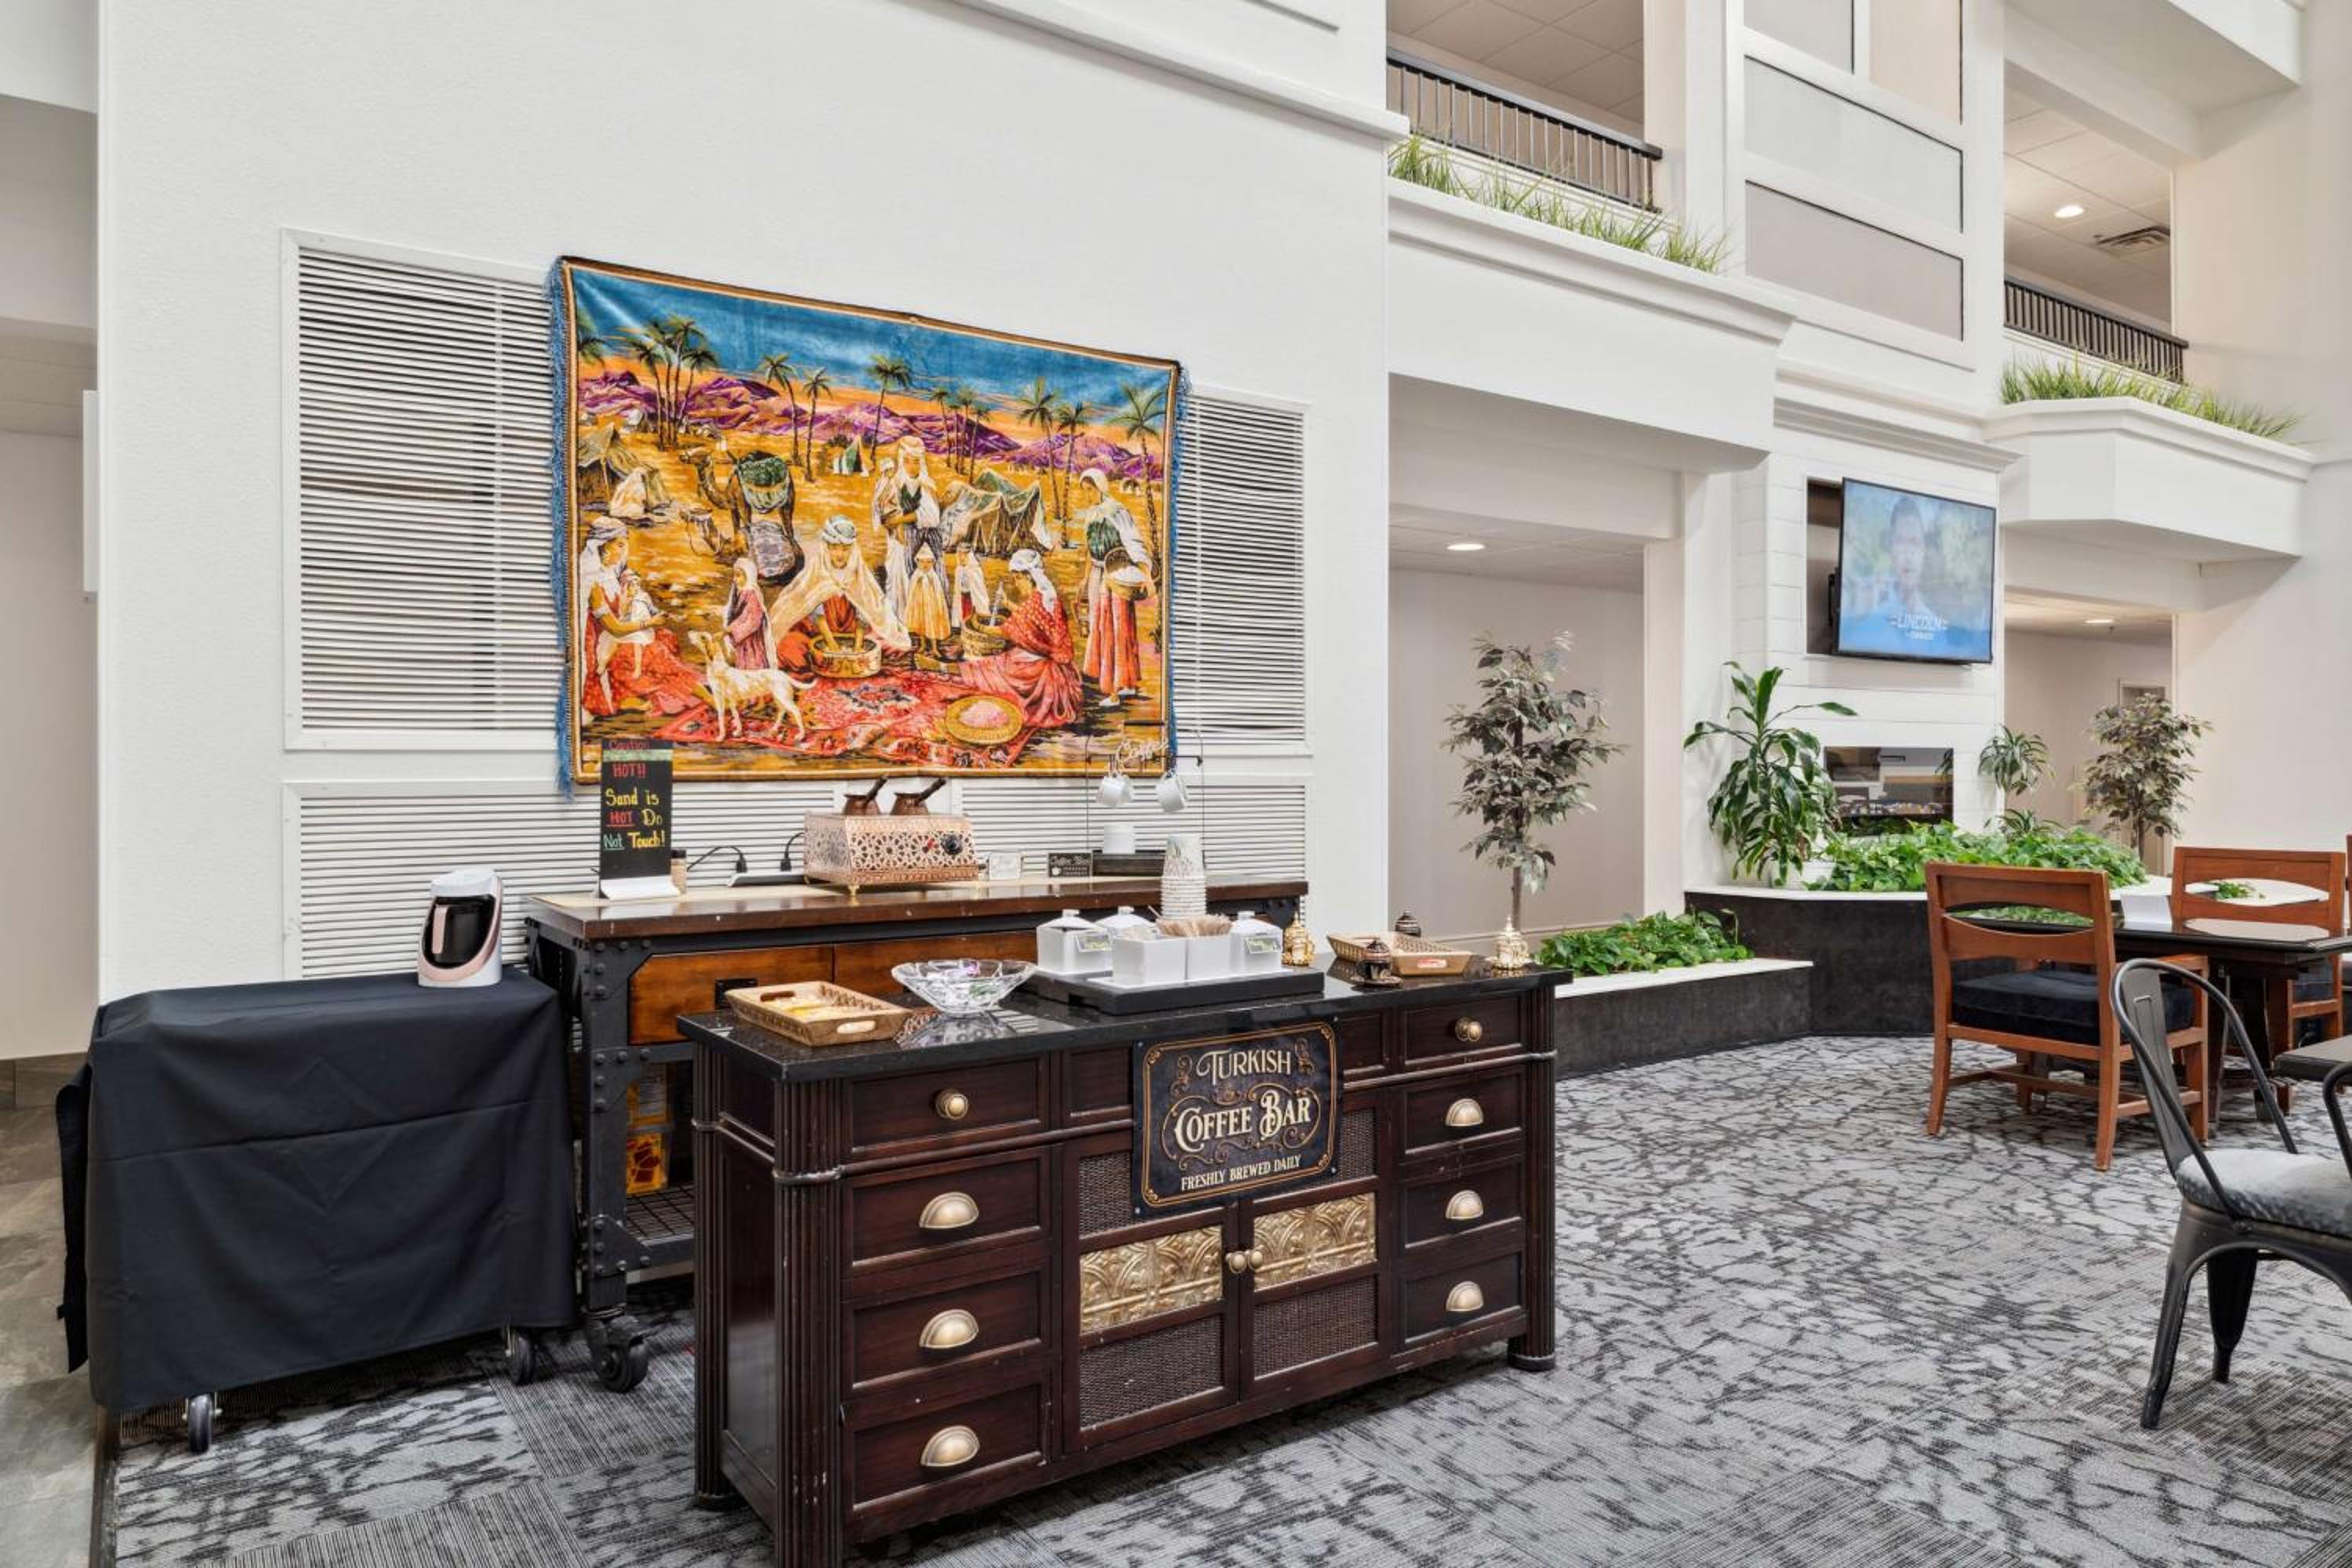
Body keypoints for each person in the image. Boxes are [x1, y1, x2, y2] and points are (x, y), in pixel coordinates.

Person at [767, 515, 912, 677]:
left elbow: (865, 611)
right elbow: (818, 616)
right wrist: (833, 646)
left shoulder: (858, 572)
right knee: (788, 647)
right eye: (834, 548)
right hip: (819, 633)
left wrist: (857, 647)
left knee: (891, 643)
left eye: (845, 549)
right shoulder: (819, 570)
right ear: (826, 547)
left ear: (852, 549)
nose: (839, 554)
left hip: (853, 631)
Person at [960, 547, 1081, 729]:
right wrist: (1008, 604)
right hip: (1058, 663)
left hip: (1043, 671)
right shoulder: (1048, 597)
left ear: (1028, 577)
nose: (1016, 584)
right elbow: (1032, 618)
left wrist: (978, 626)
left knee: (997, 669)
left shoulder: (1032, 605)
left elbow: (1006, 629)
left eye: (1017, 578)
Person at [1073, 466, 1152, 706]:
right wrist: (1085, 578)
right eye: (1084, 490)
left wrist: (1146, 575)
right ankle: (1126, 683)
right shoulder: (1091, 514)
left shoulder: (1117, 511)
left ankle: (1115, 691)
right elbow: (1090, 551)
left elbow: (1134, 543)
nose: (1087, 495)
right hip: (1099, 575)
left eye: (1090, 490)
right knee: (1104, 627)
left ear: (1100, 487)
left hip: (1116, 575)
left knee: (1117, 630)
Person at [872, 435, 942, 622]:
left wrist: (900, 519)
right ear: (901, 461)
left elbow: (932, 516)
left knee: (918, 580)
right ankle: (898, 619)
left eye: (916, 462)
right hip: (898, 541)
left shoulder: (926, 484)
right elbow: (885, 512)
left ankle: (917, 623)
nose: (911, 466)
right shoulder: (894, 483)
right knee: (896, 579)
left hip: (921, 539)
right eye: (907, 461)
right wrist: (891, 522)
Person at [904, 539, 952, 662]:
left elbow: (938, 594)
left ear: (932, 562)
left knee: (932, 625)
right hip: (920, 605)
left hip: (931, 606)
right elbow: (912, 591)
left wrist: (938, 607)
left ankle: (934, 648)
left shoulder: (933, 576)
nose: (925, 565)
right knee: (921, 625)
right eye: (922, 562)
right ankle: (923, 645)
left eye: (928, 562)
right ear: (918, 562)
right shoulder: (916, 575)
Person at [722, 554, 771, 670]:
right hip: (743, 641)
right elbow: (741, 617)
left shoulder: (752, 595)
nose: (734, 579)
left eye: (738, 575)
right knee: (742, 663)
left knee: (753, 665)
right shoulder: (740, 593)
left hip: (751, 640)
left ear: (748, 575)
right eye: (734, 575)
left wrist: (733, 630)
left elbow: (753, 621)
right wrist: (730, 628)